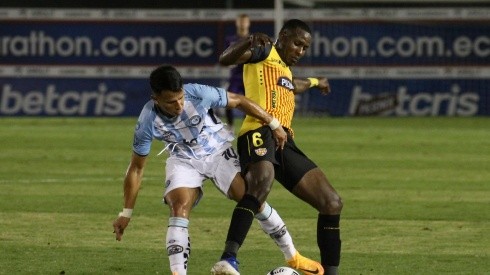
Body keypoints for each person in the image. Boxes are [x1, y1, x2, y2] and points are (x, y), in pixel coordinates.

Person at [111, 64, 323, 275]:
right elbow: (136, 169)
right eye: (170, 102)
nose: (178, 105)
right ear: (155, 98)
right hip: (183, 159)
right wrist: (126, 212)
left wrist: (274, 124)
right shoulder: (147, 120)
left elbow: (239, 101)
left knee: (252, 200)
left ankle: (293, 256)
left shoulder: (198, 93)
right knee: (178, 207)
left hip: (217, 150)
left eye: (180, 98)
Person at [212, 19, 343, 275]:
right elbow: (226, 59)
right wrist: (248, 41)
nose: (300, 51)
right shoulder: (264, 51)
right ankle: (228, 259)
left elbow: (296, 85)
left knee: (332, 202)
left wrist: (318, 82)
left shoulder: (285, 71)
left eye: (305, 48)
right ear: (282, 36)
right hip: (258, 131)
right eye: (297, 43)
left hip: (285, 140)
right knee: (261, 182)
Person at [221, 13, 250, 128]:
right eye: (241, 21)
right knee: (228, 101)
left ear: (248, 23)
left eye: (245, 21)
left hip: (249, 76)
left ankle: (246, 126)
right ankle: (230, 126)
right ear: (237, 23)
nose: (243, 24)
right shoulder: (230, 40)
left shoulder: (253, 39)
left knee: (249, 104)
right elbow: (224, 57)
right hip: (235, 77)